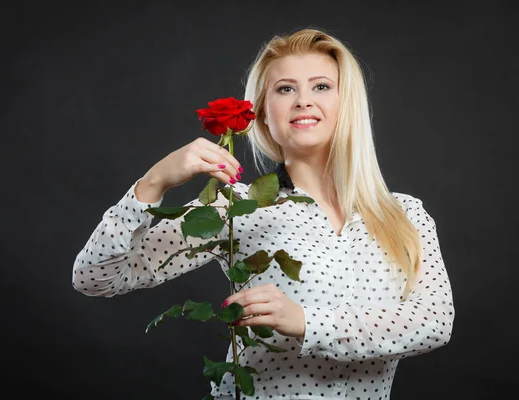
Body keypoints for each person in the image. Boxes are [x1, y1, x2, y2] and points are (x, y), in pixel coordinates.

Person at [72, 27, 455, 400]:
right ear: (263, 114)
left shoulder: (405, 215)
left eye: (321, 86)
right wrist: (153, 183)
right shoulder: (237, 209)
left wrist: (305, 322)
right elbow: (97, 277)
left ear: (347, 103)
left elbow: (434, 323)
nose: (303, 100)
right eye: (285, 89)